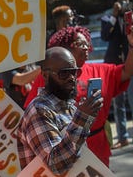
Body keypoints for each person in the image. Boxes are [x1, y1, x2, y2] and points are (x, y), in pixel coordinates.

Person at [23, 26, 133, 166]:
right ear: (65, 46)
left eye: (87, 43)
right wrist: (82, 118)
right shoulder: (40, 102)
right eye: (80, 44)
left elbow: (127, 71)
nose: (86, 47)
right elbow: (56, 162)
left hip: (97, 148)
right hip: (64, 153)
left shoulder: (99, 70)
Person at [18, 47, 103, 175]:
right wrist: (82, 119)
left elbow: (77, 155)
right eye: (64, 73)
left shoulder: (68, 106)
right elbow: (56, 164)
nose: (71, 78)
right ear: (45, 75)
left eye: (74, 72)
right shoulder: (39, 111)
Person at [101, 0, 131, 149]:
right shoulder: (107, 18)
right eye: (121, 3)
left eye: (126, 2)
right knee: (118, 104)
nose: (124, 5)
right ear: (115, 4)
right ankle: (123, 137)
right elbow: (105, 35)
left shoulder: (130, 17)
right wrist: (114, 15)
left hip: (130, 64)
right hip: (115, 68)